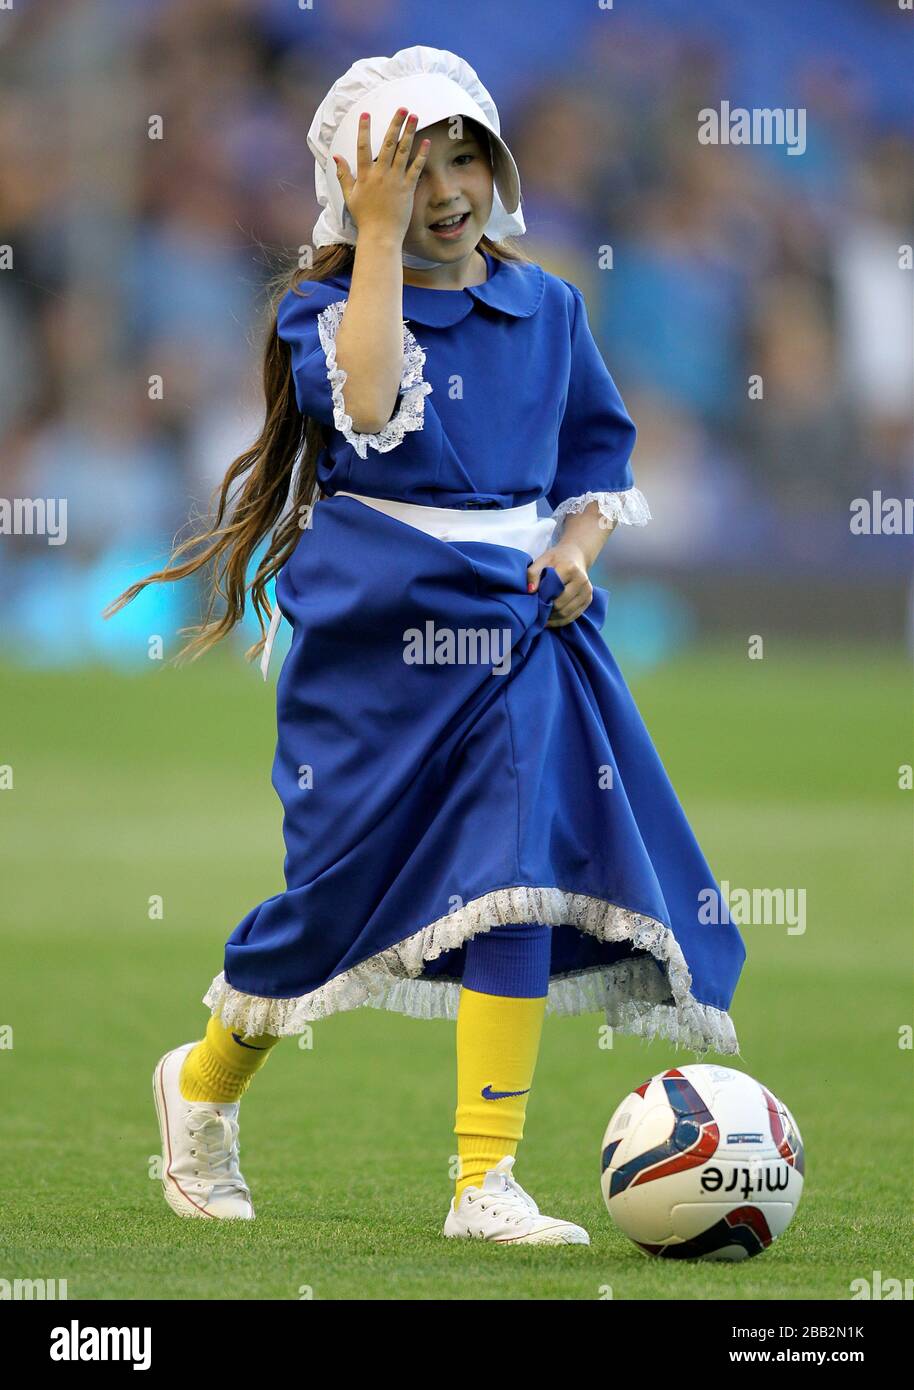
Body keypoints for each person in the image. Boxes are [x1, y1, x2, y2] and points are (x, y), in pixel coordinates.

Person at [107, 45, 746, 1245]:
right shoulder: (325, 307)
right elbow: (360, 405)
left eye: (462, 156)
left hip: (517, 633)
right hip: (375, 640)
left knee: (511, 878)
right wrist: (379, 240)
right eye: (408, 169)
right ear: (349, 188)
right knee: (334, 906)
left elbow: (594, 472)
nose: (442, 188)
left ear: (494, 164)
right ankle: (200, 1087)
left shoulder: (549, 305)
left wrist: (574, 559)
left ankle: (482, 1180)